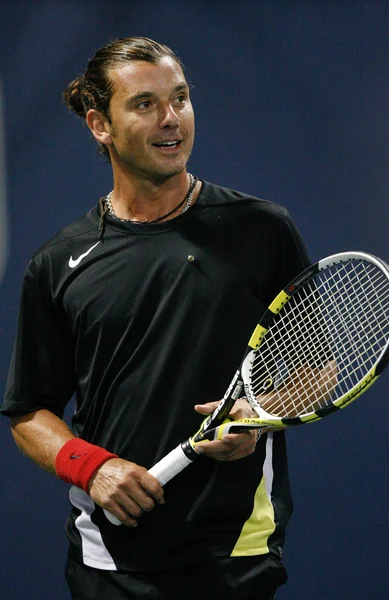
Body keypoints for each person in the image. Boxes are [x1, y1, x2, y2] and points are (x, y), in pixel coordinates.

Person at [1, 37, 311, 600]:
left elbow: (317, 370)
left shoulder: (263, 230)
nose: (172, 120)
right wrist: (92, 468)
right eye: (145, 104)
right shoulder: (57, 261)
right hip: (107, 558)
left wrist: (260, 415)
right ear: (101, 125)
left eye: (181, 98)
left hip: (234, 548)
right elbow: (29, 412)